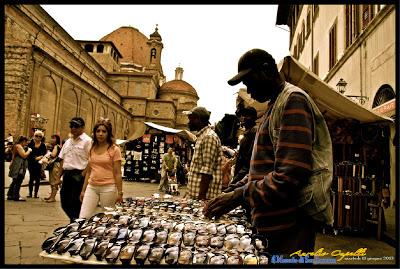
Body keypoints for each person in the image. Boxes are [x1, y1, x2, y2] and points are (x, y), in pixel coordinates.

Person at [203, 49, 333, 257]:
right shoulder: (275, 105)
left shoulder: (293, 101)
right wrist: (232, 191)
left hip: (290, 229)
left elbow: (289, 177)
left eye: (249, 81)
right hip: (275, 227)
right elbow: (264, 169)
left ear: (265, 71)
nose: (249, 91)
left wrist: (239, 195)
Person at [79, 118, 123, 219]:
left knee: (107, 218)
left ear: (108, 133)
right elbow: (89, 171)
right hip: (92, 186)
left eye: (104, 131)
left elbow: (117, 173)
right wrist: (83, 190)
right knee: (83, 216)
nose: (100, 134)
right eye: (98, 131)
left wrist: (120, 192)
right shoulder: (92, 148)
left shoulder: (114, 149)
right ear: (94, 133)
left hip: (108, 187)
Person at [185, 106, 223, 200]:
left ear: (198, 119)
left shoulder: (208, 137)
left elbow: (207, 170)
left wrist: (201, 197)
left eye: (191, 119)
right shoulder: (202, 137)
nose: (188, 123)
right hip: (195, 194)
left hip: (203, 196)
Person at [58, 117, 92, 222]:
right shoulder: (68, 142)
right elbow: (62, 159)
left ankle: (76, 224)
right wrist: (58, 176)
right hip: (67, 174)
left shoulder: (87, 141)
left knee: (76, 202)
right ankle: (75, 221)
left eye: (76, 126)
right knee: (64, 202)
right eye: (71, 126)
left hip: (79, 174)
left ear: (82, 127)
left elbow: (92, 160)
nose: (73, 128)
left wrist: (83, 174)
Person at [225, 106, 258, 189]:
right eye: (242, 115)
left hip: (245, 178)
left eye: (247, 115)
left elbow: (247, 163)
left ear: (253, 118)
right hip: (242, 177)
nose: (243, 118)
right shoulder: (246, 134)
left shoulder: (253, 132)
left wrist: (234, 182)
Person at [7, 136, 32, 201]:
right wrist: (29, 151)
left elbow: (13, 156)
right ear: (23, 141)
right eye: (26, 142)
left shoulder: (16, 146)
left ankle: (10, 195)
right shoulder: (19, 146)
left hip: (17, 164)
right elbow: (24, 155)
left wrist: (11, 162)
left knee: (15, 180)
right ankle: (16, 196)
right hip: (19, 165)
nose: (26, 143)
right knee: (18, 180)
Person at [27, 130, 47, 198]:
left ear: (42, 137)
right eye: (36, 136)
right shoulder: (30, 143)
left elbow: (44, 154)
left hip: (39, 164)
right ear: (34, 136)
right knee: (31, 178)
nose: (38, 137)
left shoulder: (43, 145)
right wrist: (35, 158)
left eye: (40, 136)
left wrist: (40, 157)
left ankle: (35, 194)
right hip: (31, 163)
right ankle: (30, 193)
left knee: (38, 179)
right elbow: (28, 153)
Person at [43, 134, 62, 203]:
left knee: (54, 181)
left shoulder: (56, 146)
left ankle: (53, 197)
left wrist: (47, 155)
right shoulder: (54, 146)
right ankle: (51, 196)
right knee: (52, 180)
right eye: (51, 138)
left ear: (57, 139)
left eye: (53, 138)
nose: (52, 139)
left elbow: (53, 155)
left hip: (56, 165)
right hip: (53, 165)